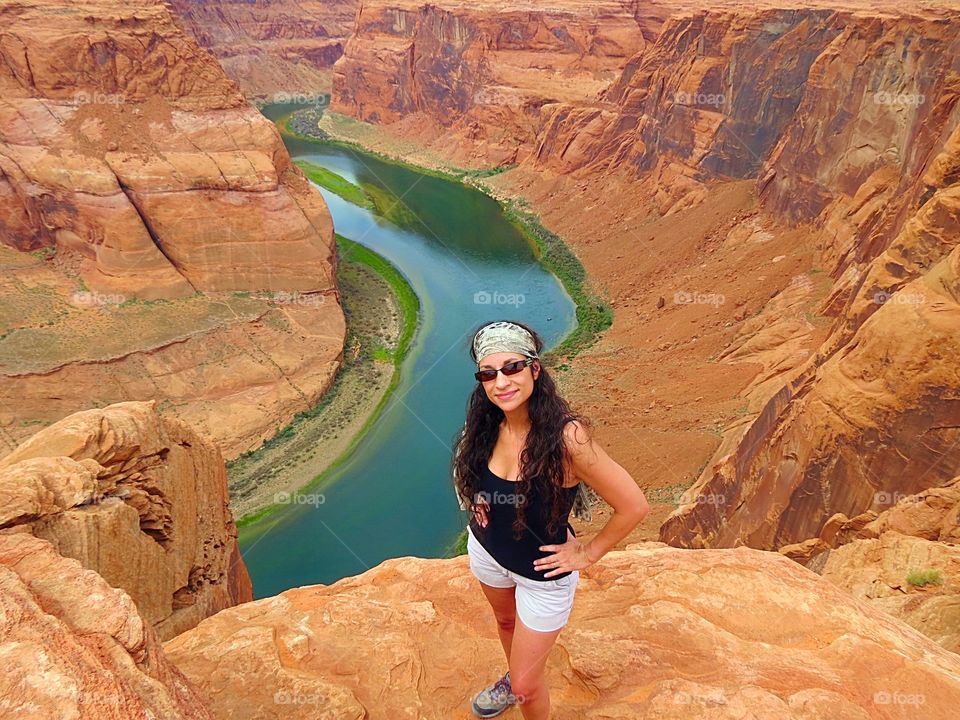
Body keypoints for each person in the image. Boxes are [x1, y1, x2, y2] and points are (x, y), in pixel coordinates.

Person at [452, 319, 650, 719]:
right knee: (505, 622)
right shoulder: (487, 425)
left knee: (528, 686)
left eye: (512, 367)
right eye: (488, 374)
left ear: (534, 369)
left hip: (542, 575)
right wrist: (478, 505)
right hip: (488, 552)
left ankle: (517, 683)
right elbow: (472, 478)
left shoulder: (566, 438)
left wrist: (588, 553)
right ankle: (510, 677)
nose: (501, 382)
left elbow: (633, 505)